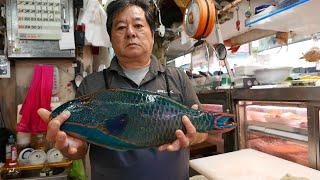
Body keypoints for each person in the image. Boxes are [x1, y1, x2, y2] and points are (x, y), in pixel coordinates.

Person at [38, 0, 210, 179]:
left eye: (138, 25)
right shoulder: (91, 84)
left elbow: (203, 130)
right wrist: (69, 148)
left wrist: (193, 136)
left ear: (152, 33)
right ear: (111, 38)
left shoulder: (177, 77)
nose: (130, 33)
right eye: (120, 27)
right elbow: (79, 147)